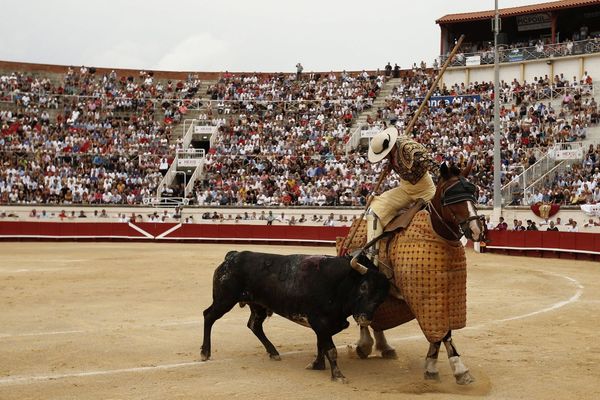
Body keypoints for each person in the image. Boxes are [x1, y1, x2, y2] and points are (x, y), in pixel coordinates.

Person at [364, 127, 436, 262]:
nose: (383, 158)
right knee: (374, 211)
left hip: (425, 190)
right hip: (405, 189)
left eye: (384, 155)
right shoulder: (391, 153)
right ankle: (372, 256)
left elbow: (432, 165)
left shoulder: (410, 148)